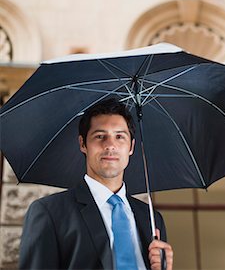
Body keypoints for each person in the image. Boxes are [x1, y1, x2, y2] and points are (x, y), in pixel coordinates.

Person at [19, 98, 173, 270]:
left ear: (131, 147)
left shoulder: (152, 219)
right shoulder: (49, 213)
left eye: (120, 136)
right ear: (83, 144)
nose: (110, 145)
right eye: (100, 136)